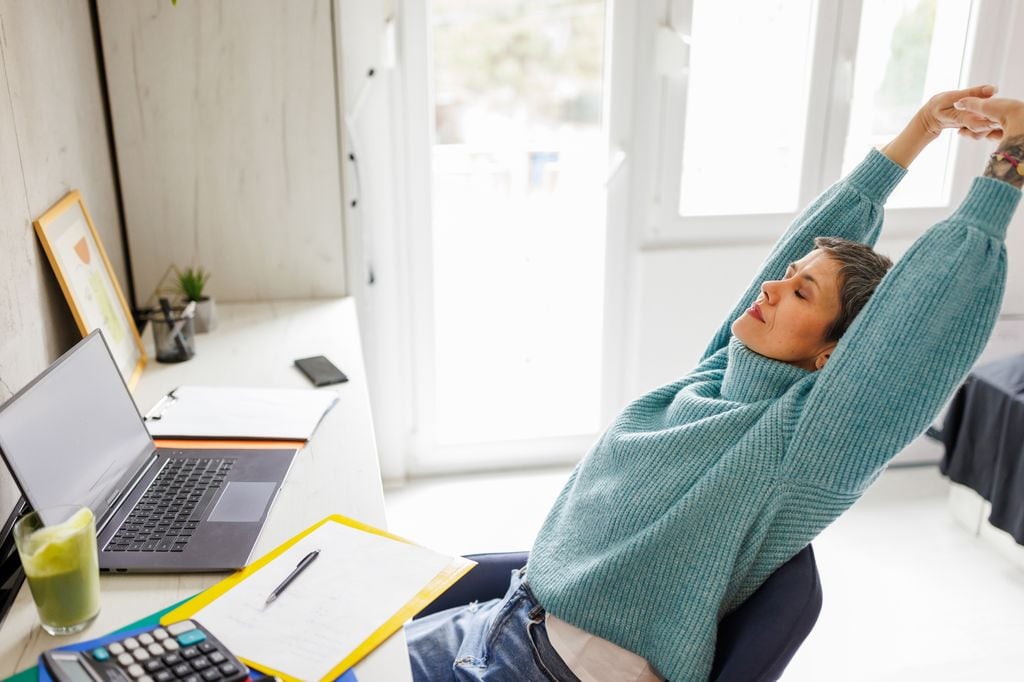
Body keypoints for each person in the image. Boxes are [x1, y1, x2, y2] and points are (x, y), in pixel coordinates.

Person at [406, 86, 1024, 681]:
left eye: (801, 292)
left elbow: (920, 328)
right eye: (787, 274)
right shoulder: (720, 374)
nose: (770, 289)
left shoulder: (801, 445)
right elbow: (796, 249)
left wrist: (1011, 160)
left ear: (834, 356)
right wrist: (918, 131)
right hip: (503, 621)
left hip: (546, 669)